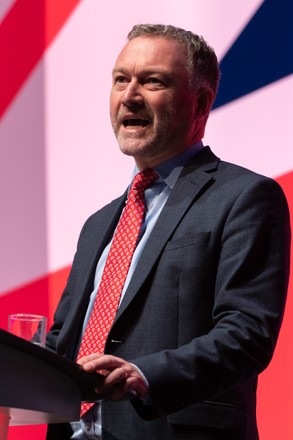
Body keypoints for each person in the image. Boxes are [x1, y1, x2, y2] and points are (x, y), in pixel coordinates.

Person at [46, 24, 291, 440]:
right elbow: (61, 341)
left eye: (153, 80)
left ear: (201, 104)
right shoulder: (98, 224)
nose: (130, 95)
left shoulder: (245, 197)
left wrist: (145, 374)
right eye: (121, 79)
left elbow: (246, 334)